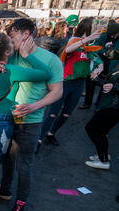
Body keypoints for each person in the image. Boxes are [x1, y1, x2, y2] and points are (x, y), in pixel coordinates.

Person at [0, 18, 63, 211]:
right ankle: (5, 189)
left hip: (29, 121)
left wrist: (34, 106)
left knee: (24, 164)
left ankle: (21, 200)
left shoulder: (50, 59)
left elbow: (57, 91)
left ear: (25, 35)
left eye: (12, 34)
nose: (8, 37)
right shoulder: (10, 53)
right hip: (5, 120)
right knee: (5, 158)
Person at [0, 34, 51, 197]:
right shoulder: (11, 71)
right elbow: (46, 73)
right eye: (11, 42)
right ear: (8, 52)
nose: (14, 42)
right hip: (1, 124)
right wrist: (27, 55)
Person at [38, 18, 102, 149]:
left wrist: (98, 68)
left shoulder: (91, 45)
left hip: (79, 84)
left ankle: (51, 133)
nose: (97, 26)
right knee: (52, 113)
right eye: (94, 25)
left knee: (66, 114)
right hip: (65, 82)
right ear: (87, 28)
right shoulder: (75, 40)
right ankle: (38, 140)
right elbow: (68, 50)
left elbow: (98, 61)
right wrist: (86, 40)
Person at [84, 25, 118, 170]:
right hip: (110, 102)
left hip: (114, 105)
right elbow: (109, 55)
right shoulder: (115, 65)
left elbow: (111, 86)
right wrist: (96, 79)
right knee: (100, 131)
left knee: (93, 129)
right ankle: (103, 155)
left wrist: (114, 87)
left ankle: (104, 161)